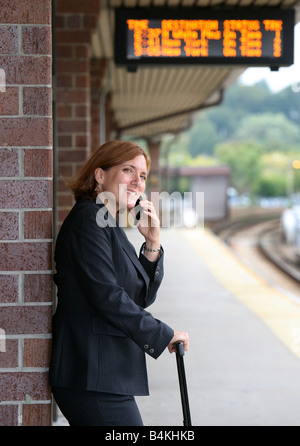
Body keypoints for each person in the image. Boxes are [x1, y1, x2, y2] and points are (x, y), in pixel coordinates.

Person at [49, 140, 189, 426]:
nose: (138, 182)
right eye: (128, 170)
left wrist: (152, 243)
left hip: (106, 374)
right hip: (90, 373)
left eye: (143, 176)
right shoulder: (89, 219)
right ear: (100, 175)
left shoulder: (108, 223)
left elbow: (139, 296)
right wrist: (163, 334)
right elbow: (107, 297)